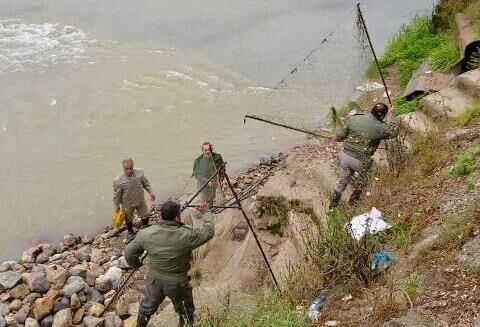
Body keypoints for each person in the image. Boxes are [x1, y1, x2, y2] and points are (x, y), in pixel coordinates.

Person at [125, 201, 214, 327]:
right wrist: (207, 211)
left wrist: (136, 263)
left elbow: (129, 252)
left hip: (154, 280)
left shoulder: (146, 233)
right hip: (178, 283)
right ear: (177, 217)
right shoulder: (187, 234)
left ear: (161, 215)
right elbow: (208, 232)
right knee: (185, 312)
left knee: (146, 308)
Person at [329, 103, 397, 209]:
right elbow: (393, 132)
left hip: (346, 157)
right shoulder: (381, 127)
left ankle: (333, 205)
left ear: (371, 110)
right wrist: (393, 116)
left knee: (342, 180)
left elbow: (339, 137)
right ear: (383, 116)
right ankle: (353, 200)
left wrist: (336, 136)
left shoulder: (354, 119)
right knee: (363, 180)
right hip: (361, 161)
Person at [113, 158, 156, 242]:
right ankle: (130, 231)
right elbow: (116, 196)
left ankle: (145, 228)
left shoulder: (140, 173)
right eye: (126, 169)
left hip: (140, 200)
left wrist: (151, 192)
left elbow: (146, 184)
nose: (129, 171)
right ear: (123, 168)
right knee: (128, 219)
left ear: (133, 166)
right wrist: (116, 207)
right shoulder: (118, 181)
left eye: (131, 168)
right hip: (127, 204)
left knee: (145, 215)